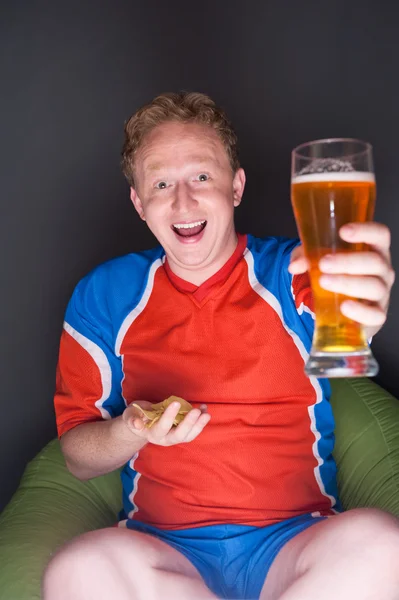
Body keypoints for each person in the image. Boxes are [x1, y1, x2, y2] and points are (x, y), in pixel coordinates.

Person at [42, 92, 397, 600]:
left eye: (202, 177)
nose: (183, 202)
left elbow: (344, 322)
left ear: (236, 186)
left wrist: (365, 302)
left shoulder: (292, 269)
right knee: (77, 569)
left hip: (297, 547)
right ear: (140, 203)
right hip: (165, 555)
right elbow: (78, 457)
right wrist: (130, 429)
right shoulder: (105, 294)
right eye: (161, 183)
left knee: (383, 545)